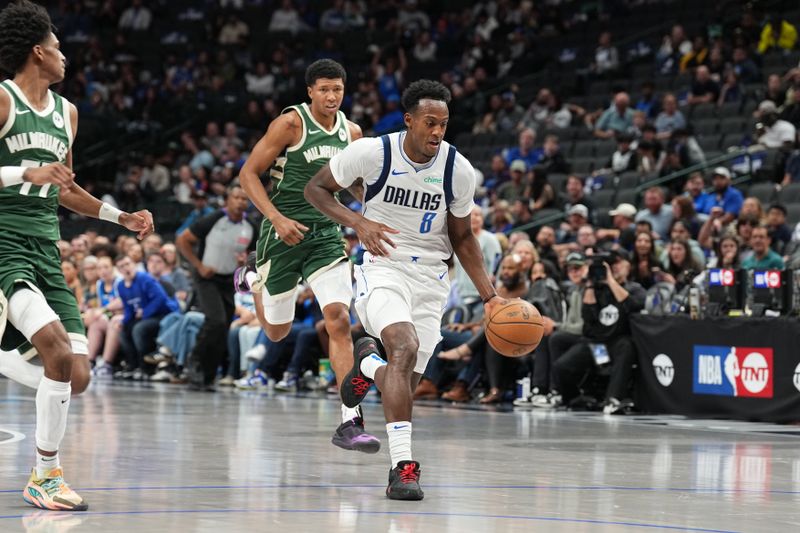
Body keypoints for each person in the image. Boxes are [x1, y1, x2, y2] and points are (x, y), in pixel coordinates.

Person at [305, 80, 508, 500]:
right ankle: (403, 468)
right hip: (383, 266)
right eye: (430, 123)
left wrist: (491, 297)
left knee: (404, 379)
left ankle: (365, 366)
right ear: (410, 120)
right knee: (403, 346)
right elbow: (316, 189)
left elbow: (463, 238)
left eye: (444, 125)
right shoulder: (373, 152)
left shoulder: (457, 169)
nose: (437, 132)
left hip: (432, 279)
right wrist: (358, 222)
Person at [0, 0, 155, 512]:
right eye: (59, 47)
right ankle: (45, 476)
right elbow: (38, 177)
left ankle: (3, 354)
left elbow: (67, 189)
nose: (66, 56)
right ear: (38, 52)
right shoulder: (2, 100)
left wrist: (120, 217)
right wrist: (26, 173)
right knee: (57, 353)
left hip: (46, 247)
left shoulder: (67, 113)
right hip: (5, 244)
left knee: (77, 375)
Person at [237, 59, 380, 452]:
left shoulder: (352, 133)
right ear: (310, 92)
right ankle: (252, 280)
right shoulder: (290, 124)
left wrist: (375, 212)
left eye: (337, 89)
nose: (331, 96)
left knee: (337, 319)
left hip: (325, 236)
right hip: (281, 234)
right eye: (324, 90)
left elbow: (351, 185)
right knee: (276, 332)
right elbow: (248, 174)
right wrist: (276, 218)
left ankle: (349, 420)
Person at [176, 184, 255, 390]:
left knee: (223, 326)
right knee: (216, 320)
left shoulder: (250, 226)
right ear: (227, 201)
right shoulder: (212, 220)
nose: (240, 202)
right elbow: (183, 240)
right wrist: (199, 266)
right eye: (236, 197)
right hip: (207, 278)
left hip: (228, 280)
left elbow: (253, 256)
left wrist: (244, 263)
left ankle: (207, 376)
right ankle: (194, 361)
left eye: (245, 199)